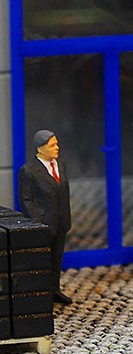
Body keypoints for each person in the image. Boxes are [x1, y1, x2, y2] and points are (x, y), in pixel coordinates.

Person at [17, 130, 73, 305]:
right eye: (52, 145)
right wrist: (37, 222)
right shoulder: (28, 171)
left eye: (56, 143)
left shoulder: (60, 164)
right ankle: (41, 294)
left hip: (61, 222)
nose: (57, 147)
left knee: (57, 258)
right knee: (41, 261)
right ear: (40, 148)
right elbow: (26, 199)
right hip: (43, 224)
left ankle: (55, 290)